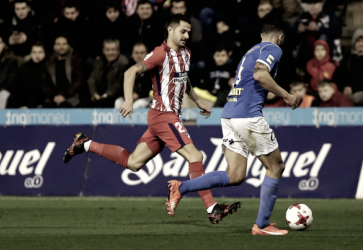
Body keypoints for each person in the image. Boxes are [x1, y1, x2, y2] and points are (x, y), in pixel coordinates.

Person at [63, 14, 241, 224]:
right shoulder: (160, 53)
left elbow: (184, 79)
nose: (186, 36)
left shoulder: (186, 53)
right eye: (183, 31)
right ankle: (212, 208)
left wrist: (197, 100)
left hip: (165, 117)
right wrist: (128, 101)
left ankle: (86, 144)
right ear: (170, 31)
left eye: (189, 32)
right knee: (196, 156)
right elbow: (130, 72)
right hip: (163, 116)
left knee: (133, 163)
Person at [165, 18, 300, 235]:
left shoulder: (251, 51)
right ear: (281, 37)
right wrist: (286, 94)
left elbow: (252, 80)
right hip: (247, 116)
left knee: (235, 175)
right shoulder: (273, 48)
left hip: (229, 115)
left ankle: (181, 187)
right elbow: (260, 74)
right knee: (275, 167)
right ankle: (262, 225)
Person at [293, 0, 342, 69]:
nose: (312, 6)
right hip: (305, 53)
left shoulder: (329, 15)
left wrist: (318, 28)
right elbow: (291, 37)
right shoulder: (304, 16)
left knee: (323, 36)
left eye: (315, 3)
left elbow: (337, 31)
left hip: (325, 53)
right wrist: (298, 30)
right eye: (309, 3)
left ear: (322, 3)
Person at [42, 36, 84, 108]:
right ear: (54, 47)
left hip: (71, 95)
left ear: (68, 46)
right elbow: (45, 82)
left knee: (64, 107)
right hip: (53, 96)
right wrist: (53, 97)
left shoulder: (75, 59)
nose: (61, 47)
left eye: (64, 44)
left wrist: (65, 95)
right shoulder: (49, 61)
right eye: (58, 44)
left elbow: (79, 79)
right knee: (47, 109)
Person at [88, 39, 129, 108]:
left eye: (113, 50)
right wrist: (94, 93)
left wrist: (105, 95)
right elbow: (92, 79)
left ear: (118, 51)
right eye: (107, 50)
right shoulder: (99, 61)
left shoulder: (123, 63)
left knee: (104, 103)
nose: (110, 53)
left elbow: (119, 83)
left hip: (115, 95)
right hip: (99, 95)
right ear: (103, 50)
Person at [7, 42, 46, 108]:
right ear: (30, 54)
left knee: (31, 98)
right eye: (34, 52)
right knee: (12, 98)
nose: (37, 55)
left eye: (40, 52)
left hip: (40, 95)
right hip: (25, 95)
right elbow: (18, 85)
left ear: (44, 54)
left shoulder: (47, 67)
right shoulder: (24, 67)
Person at [0, 35, 18, 109]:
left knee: (3, 95)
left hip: (5, 90)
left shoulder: (11, 60)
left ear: (3, 44)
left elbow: (11, 82)